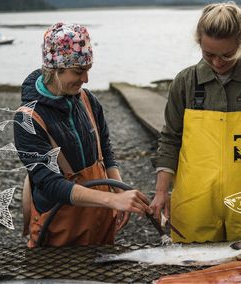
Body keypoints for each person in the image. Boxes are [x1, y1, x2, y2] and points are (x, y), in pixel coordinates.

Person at [150, 2, 241, 243]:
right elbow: (170, 139)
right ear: (199, 42)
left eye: (227, 54)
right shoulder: (185, 82)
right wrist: (161, 192)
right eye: (209, 54)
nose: (217, 63)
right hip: (193, 204)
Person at [14, 22, 152, 247]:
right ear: (54, 68)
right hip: (59, 225)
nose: (86, 79)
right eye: (79, 71)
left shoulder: (88, 101)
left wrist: (119, 189)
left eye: (88, 69)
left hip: (100, 219)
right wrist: (112, 200)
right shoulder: (27, 119)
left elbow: (105, 152)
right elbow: (50, 184)